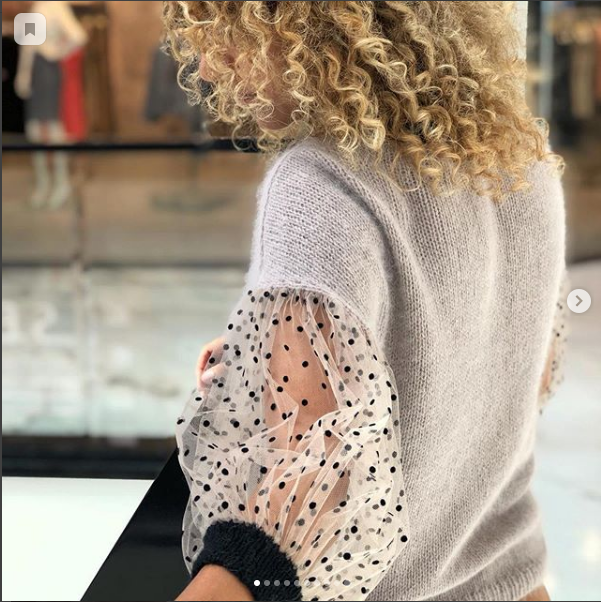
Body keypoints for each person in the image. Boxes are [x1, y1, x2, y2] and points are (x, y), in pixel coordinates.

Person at [162, 2, 568, 601]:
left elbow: (284, 533)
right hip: (519, 585)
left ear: (295, 22)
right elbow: (517, 380)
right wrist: (286, 365)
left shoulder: (322, 184)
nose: (205, 64)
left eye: (221, 30)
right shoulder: (522, 164)